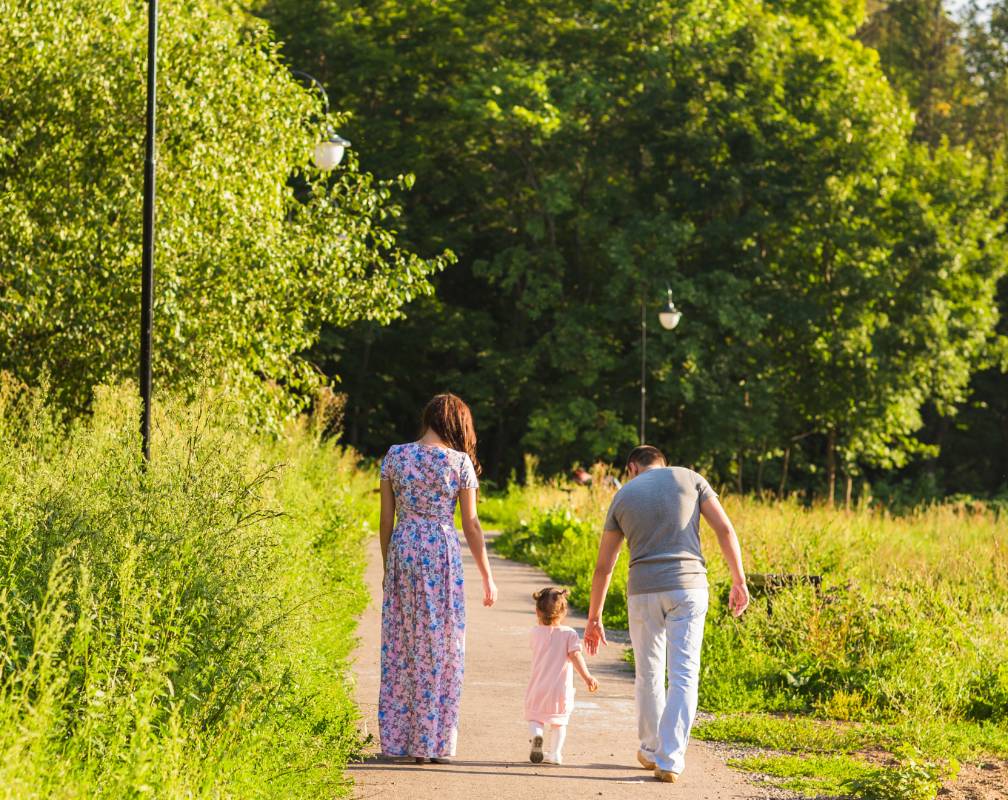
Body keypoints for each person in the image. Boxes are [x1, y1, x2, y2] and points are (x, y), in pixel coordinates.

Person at [583, 445, 750, 784]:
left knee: (648, 673)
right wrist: (739, 580)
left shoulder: (623, 495)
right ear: (662, 462)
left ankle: (649, 748)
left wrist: (594, 617)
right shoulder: (691, 479)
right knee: (685, 674)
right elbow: (725, 529)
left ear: (632, 467)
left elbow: (604, 566)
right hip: (688, 589)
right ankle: (670, 758)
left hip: (643, 591)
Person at [378, 393, 498, 764]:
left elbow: (385, 520)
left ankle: (400, 740)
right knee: (442, 647)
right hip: (441, 553)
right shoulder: (459, 463)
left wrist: (388, 568)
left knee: (402, 645)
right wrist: (487, 576)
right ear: (458, 424)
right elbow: (472, 524)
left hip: (403, 549)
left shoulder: (395, 456)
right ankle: (432, 744)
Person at [524, 587, 598, 766]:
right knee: (559, 723)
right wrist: (587, 677)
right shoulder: (569, 634)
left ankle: (537, 736)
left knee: (535, 717)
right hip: (560, 690)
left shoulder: (535, 633)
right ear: (564, 611)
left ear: (537, 611)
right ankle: (555, 754)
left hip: (538, 687)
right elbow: (575, 657)